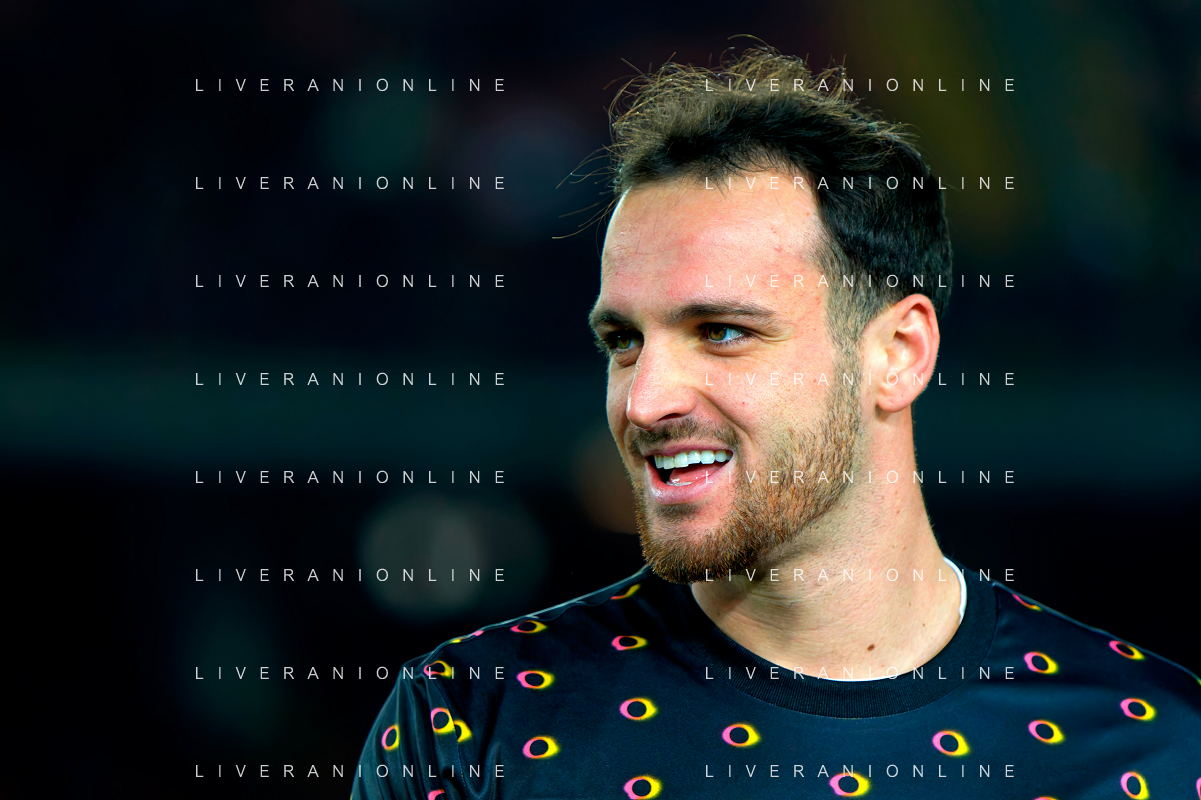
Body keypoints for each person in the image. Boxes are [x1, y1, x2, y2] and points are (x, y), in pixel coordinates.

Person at [352, 47, 1200, 799]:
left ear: (897, 354)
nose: (644, 401)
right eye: (623, 342)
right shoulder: (472, 724)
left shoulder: (1155, 747)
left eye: (722, 331)